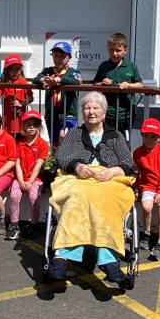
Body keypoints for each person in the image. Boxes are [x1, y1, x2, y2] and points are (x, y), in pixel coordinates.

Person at [45, 91, 137, 288]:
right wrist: (77, 166)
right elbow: (61, 157)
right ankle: (62, 256)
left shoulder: (115, 136)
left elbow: (128, 163)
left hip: (109, 180)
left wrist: (112, 171)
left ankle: (108, 257)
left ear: (104, 113)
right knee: (77, 197)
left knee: (105, 199)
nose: (91, 112)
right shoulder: (74, 134)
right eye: (87, 108)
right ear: (82, 112)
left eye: (96, 108)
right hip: (77, 178)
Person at [5, 110, 49, 240]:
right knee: (14, 195)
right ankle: (14, 225)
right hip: (20, 177)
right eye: (28, 124)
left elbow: (38, 165)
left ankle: (34, 225)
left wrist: (30, 181)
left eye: (34, 125)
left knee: (33, 196)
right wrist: (20, 180)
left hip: (36, 179)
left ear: (39, 127)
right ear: (23, 127)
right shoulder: (19, 143)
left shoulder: (42, 144)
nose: (31, 127)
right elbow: (17, 164)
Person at [133, 117, 160, 260]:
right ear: (142, 135)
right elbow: (137, 172)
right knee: (146, 206)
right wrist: (136, 188)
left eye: (153, 137)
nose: (149, 140)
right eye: (146, 136)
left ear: (159, 138)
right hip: (148, 185)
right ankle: (147, 232)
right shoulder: (138, 153)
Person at [91, 32, 143, 133]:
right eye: (111, 50)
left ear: (125, 51)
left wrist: (129, 85)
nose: (114, 53)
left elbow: (140, 84)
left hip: (127, 112)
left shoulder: (131, 66)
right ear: (107, 49)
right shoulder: (104, 66)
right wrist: (102, 84)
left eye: (118, 50)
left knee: (125, 139)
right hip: (108, 111)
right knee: (108, 139)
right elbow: (95, 84)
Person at [32, 41, 82, 146]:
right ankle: (56, 161)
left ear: (69, 58)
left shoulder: (73, 72)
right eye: (56, 55)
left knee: (65, 140)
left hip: (68, 113)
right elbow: (36, 79)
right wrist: (43, 80)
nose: (58, 59)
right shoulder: (48, 71)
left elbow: (76, 81)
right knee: (55, 144)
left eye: (62, 56)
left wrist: (58, 80)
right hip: (52, 114)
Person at [0, 54, 31, 139]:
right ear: (6, 70)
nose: (14, 71)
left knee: (21, 143)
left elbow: (31, 97)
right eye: (11, 69)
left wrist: (22, 104)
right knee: (9, 143)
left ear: (21, 69)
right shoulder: (4, 82)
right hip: (7, 121)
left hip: (21, 121)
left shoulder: (23, 81)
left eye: (17, 69)